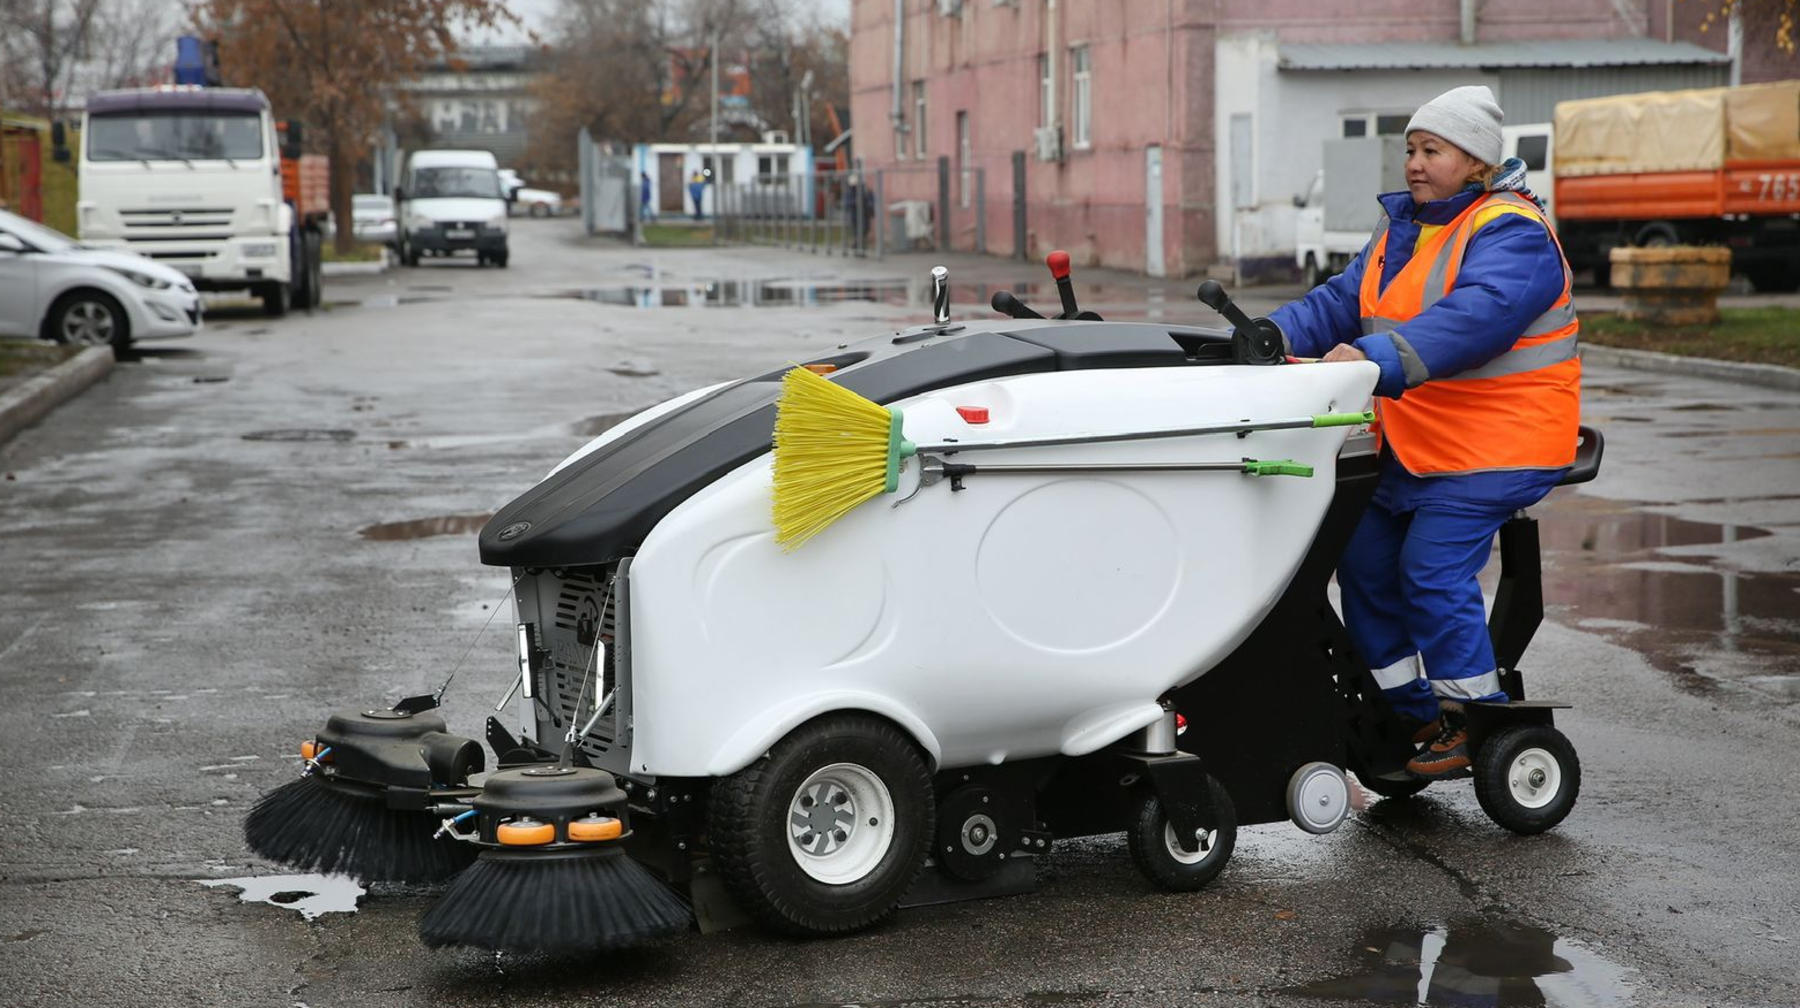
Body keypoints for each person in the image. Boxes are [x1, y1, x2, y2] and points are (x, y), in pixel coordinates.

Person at [1258, 85, 1582, 778]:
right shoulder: (1403, 231)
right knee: (1363, 565)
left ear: (1476, 162)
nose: (1413, 163)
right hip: (1417, 443)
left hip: (1499, 444)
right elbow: (1339, 302)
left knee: (1430, 570)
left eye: (1431, 149)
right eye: (1409, 149)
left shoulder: (1512, 232)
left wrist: (1373, 359)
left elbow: (1474, 319)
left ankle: (1473, 719)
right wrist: (1267, 336)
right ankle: (1408, 718)